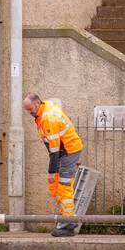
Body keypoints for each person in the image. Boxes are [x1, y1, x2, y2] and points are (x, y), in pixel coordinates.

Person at [23, 91, 83, 237]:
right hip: (66, 152)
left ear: (37, 103)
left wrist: (51, 171)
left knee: (63, 186)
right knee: (54, 186)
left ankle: (68, 223)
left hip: (66, 152)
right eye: (27, 109)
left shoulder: (48, 118)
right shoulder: (43, 110)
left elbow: (54, 150)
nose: (29, 112)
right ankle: (66, 219)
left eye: (30, 108)